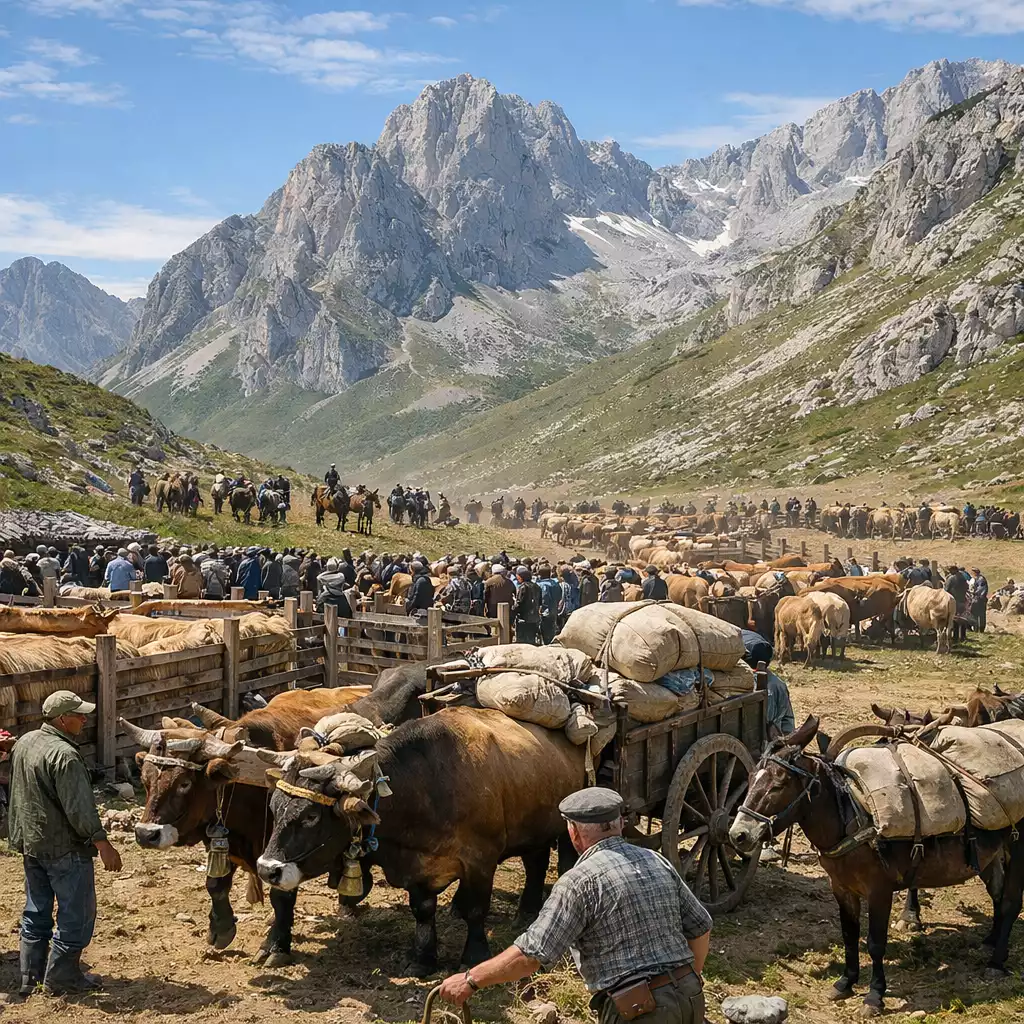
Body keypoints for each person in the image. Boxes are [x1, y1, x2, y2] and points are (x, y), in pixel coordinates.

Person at [438, 788, 711, 1024]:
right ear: (619, 823)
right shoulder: (657, 860)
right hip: (690, 996)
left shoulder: (580, 882)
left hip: (639, 1010)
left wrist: (471, 979)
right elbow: (700, 927)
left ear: (573, 832)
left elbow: (531, 956)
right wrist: (684, 984)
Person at [9, 691, 122, 995]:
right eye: (79, 714)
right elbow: (80, 809)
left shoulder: (25, 742)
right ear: (62, 719)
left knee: (35, 910)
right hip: (64, 848)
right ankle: (62, 977)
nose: (84, 719)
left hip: (32, 843)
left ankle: (29, 978)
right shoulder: (65, 756)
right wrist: (103, 845)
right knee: (77, 914)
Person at [512, 567, 542, 646]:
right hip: (534, 618)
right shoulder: (537, 586)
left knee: (522, 642)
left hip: (524, 619)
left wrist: (512, 609)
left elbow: (519, 603)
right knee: (531, 641)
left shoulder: (523, 587)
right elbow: (540, 602)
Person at [536, 565, 562, 645]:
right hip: (554, 610)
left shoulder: (542, 585)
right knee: (551, 632)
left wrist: (540, 608)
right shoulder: (555, 583)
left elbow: (544, 598)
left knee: (543, 633)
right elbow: (559, 595)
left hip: (544, 612)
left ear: (540, 574)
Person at [943, 565, 969, 644]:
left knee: (955, 619)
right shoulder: (962, 577)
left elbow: (946, 589)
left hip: (954, 600)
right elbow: (966, 587)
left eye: (950, 570)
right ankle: (963, 636)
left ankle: (955, 637)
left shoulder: (951, 578)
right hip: (962, 600)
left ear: (953, 570)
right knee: (962, 619)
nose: (949, 572)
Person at [969, 567, 989, 633]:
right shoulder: (978, 579)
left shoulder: (981, 579)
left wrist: (974, 593)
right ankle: (976, 628)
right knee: (977, 614)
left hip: (979, 599)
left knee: (979, 615)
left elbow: (981, 589)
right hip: (978, 599)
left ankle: (980, 629)